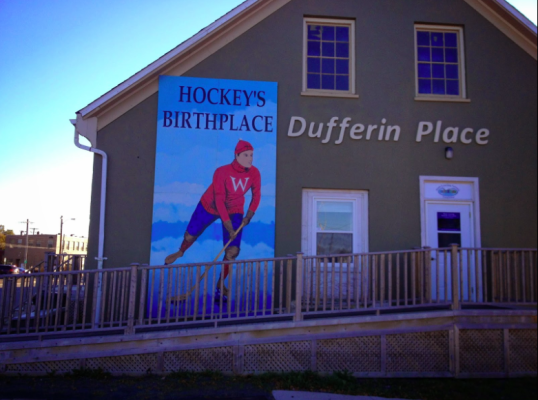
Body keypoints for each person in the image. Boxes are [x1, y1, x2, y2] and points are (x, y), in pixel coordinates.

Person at [165, 140, 261, 301]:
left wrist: (248, 216)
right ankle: (181, 251)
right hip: (210, 205)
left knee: (232, 251)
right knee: (190, 235)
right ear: (236, 155)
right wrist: (229, 228)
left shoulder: (254, 173)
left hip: (235, 209)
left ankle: (221, 282)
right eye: (246, 155)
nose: (250, 158)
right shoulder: (221, 172)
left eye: (251, 155)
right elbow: (219, 200)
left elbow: (256, 195)